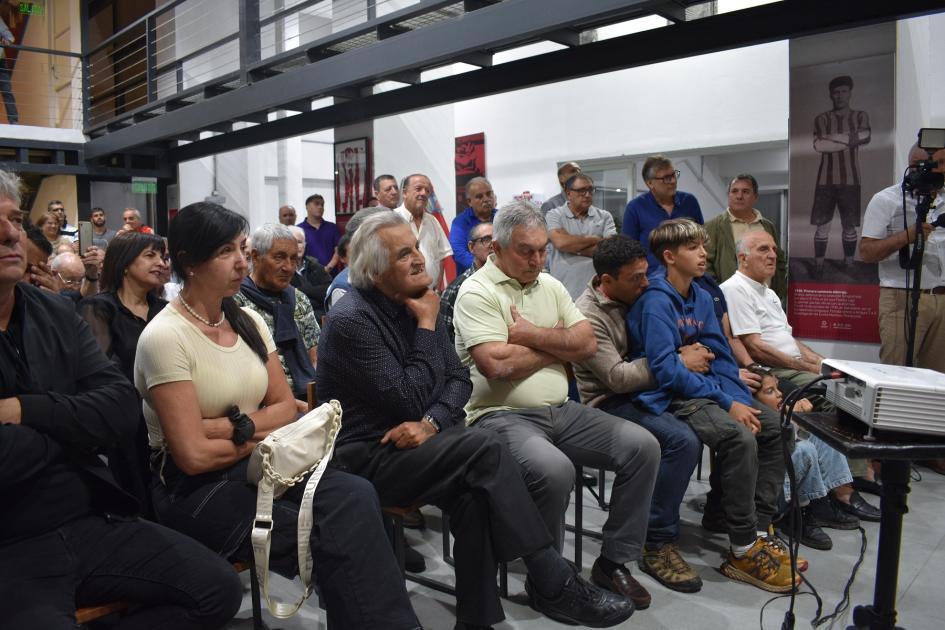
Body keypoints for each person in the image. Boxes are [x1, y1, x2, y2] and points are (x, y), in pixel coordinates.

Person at [317, 211, 634, 629]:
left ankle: (477, 620)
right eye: (403, 255)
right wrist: (429, 326)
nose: (418, 259)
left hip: (419, 444)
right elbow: (409, 397)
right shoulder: (353, 319)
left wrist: (431, 422)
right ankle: (552, 577)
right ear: (375, 271)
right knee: (484, 447)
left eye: (416, 248)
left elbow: (457, 382)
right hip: (363, 457)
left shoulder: (411, 302)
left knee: (475, 496)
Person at [135, 202, 422, 630]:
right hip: (195, 489)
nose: (240, 262)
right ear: (189, 263)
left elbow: (286, 406)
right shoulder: (165, 336)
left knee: (357, 494)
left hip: (258, 460)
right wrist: (257, 429)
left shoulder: (248, 320)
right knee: (329, 532)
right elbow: (192, 457)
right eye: (224, 252)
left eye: (241, 248)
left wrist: (233, 427)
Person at [0, 170, 242, 629]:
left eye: (14, 219)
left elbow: (120, 405)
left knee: (215, 590)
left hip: (88, 515)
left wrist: (27, 410)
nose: (12, 233)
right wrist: (73, 433)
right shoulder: (98, 310)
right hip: (11, 542)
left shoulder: (53, 311)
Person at [454, 200, 660, 609]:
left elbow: (587, 344)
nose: (537, 259)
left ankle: (613, 561)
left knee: (644, 446)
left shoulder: (550, 285)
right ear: (496, 247)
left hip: (561, 411)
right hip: (498, 416)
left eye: (543, 249)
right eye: (526, 251)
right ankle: (549, 582)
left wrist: (528, 335)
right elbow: (496, 365)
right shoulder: (476, 291)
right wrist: (559, 347)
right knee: (554, 470)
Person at [627, 218, 798, 593]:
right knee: (739, 439)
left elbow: (721, 357)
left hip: (708, 389)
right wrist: (727, 403)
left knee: (775, 427)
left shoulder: (702, 297)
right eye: (693, 248)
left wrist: (738, 401)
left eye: (704, 246)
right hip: (673, 398)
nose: (704, 254)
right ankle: (741, 548)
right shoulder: (656, 301)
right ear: (670, 257)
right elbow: (666, 372)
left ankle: (755, 529)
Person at [719, 231, 881, 521]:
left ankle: (851, 476)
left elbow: (790, 342)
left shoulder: (767, 292)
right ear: (742, 258)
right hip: (769, 368)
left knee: (848, 383)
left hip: (788, 362)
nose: (772, 255)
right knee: (837, 396)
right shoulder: (735, 288)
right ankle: (839, 491)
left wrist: (822, 362)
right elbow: (755, 348)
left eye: (773, 249)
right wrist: (810, 369)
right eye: (763, 250)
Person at [573, 235, 704, 593]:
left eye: (646, 274)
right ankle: (656, 542)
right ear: (606, 281)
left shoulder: (639, 294)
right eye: (636, 278)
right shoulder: (588, 314)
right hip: (608, 402)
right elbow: (616, 379)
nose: (645, 283)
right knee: (682, 442)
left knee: (717, 423)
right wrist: (675, 360)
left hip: (650, 388)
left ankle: (726, 515)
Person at [860, 143, 945, 475]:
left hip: (941, 296)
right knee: (895, 376)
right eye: (934, 166)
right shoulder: (887, 200)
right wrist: (907, 235)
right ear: (914, 165)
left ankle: (927, 448)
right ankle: (882, 454)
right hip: (901, 296)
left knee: (937, 380)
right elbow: (867, 251)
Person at [79, 231, 169, 511]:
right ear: (126, 263)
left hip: (169, 412)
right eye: (150, 256)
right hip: (126, 422)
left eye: (163, 257)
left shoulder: (166, 311)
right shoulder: (99, 308)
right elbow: (101, 374)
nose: (161, 263)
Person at [752, 370, 859, 550]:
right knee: (804, 449)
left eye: (777, 389)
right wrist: (795, 420)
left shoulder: (776, 409)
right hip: (768, 497)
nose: (779, 394)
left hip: (786, 487)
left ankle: (821, 502)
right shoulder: (755, 420)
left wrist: (795, 417)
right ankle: (797, 513)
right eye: (770, 391)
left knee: (823, 436)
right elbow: (788, 446)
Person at [234, 223, 320, 408]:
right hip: (261, 404)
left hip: (307, 397)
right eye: (279, 258)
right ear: (255, 257)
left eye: (294, 259)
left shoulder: (298, 299)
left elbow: (316, 357)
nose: (289, 267)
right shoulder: (236, 303)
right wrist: (292, 406)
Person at [809, 75, 870, 277]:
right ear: (831, 95)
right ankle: (818, 266)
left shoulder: (860, 115)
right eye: (836, 92)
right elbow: (819, 145)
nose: (840, 95)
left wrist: (833, 139)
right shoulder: (822, 119)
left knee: (849, 226)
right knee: (822, 227)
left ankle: (849, 263)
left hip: (851, 181)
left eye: (844, 91)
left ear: (850, 92)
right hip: (825, 182)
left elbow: (865, 136)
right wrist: (850, 139)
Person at [704, 174, 787, 302]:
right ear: (729, 195)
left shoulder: (767, 226)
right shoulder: (714, 226)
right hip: (731, 301)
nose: (739, 196)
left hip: (765, 300)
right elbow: (705, 265)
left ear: (755, 197)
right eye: (734, 191)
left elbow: (779, 259)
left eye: (745, 191)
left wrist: (777, 291)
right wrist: (719, 295)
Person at [622, 156, 703, 269]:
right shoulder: (635, 208)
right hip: (652, 279)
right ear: (650, 183)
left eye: (674, 175)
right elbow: (628, 251)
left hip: (688, 274)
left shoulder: (689, 202)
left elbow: (701, 239)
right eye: (666, 178)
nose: (673, 181)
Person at [547, 173, 617, 299]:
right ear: (568, 193)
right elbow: (561, 243)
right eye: (581, 190)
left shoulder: (604, 216)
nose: (587, 194)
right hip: (564, 292)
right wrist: (595, 239)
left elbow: (609, 250)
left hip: (597, 293)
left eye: (590, 190)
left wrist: (574, 246)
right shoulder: (554, 215)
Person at [395, 174, 452, 292]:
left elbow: (441, 256)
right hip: (402, 294)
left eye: (427, 190)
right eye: (418, 189)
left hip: (431, 292)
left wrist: (438, 286)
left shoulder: (432, 221)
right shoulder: (392, 220)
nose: (424, 193)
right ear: (405, 193)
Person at [441, 221, 492, 343]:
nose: (493, 245)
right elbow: (444, 340)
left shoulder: (512, 281)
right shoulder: (457, 288)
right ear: (471, 247)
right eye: (486, 239)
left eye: (497, 240)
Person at [449, 176, 497, 275]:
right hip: (471, 277)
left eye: (489, 194)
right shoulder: (460, 223)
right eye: (479, 196)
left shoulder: (501, 217)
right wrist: (489, 269)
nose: (486, 199)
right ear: (469, 202)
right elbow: (459, 254)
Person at [287, 224, 332, 318]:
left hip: (322, 316)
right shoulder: (284, 269)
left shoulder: (314, 265)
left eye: (300, 242)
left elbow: (328, 289)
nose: (297, 246)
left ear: (305, 245)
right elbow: (289, 296)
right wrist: (315, 293)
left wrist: (299, 290)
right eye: (293, 242)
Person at [298, 193, 341, 272]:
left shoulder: (332, 227)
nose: (320, 207)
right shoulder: (299, 229)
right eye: (316, 204)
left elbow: (338, 250)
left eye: (322, 204)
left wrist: (328, 268)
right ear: (307, 207)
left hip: (330, 274)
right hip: (308, 276)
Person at [0, 13, 17, 125]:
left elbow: (10, 37)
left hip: (0, 61)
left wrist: (7, 41)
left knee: (7, 91)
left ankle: (14, 121)